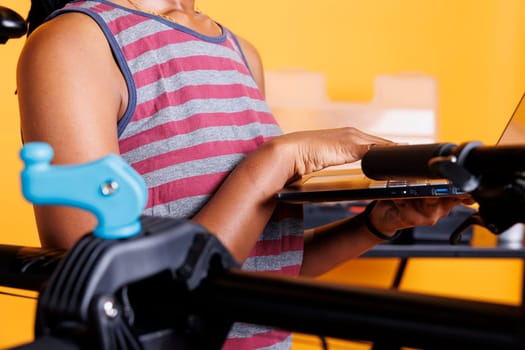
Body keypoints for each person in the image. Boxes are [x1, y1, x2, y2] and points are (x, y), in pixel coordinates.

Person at [16, 0, 462, 348]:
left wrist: (373, 225)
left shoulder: (241, 52)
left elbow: (257, 265)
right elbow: (103, 291)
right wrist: (277, 160)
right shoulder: (74, 42)